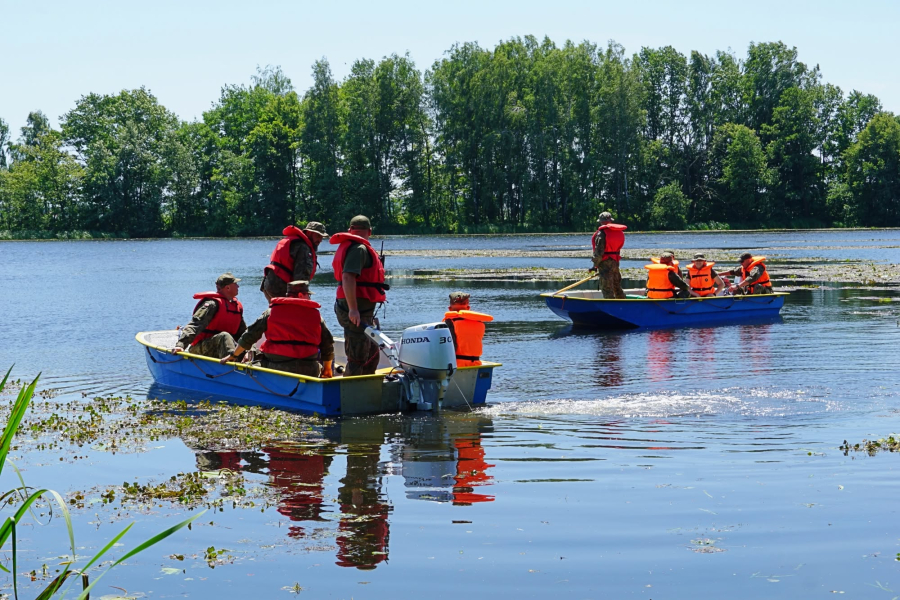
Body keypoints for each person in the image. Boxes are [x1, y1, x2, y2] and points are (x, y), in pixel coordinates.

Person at [221, 281, 335, 378]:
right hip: (309, 369)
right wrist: (327, 369)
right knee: (318, 366)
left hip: (277, 366)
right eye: (308, 295)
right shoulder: (316, 316)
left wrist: (233, 356)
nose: (309, 298)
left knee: (253, 363)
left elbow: (249, 336)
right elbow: (327, 345)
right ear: (300, 295)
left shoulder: (272, 312)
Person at [331, 215, 389, 376]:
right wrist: (353, 309)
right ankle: (351, 395)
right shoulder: (359, 249)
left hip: (362, 312)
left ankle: (368, 388)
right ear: (369, 231)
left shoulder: (354, 247)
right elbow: (348, 277)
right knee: (357, 358)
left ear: (350, 230)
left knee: (372, 352)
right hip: (354, 312)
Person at [174, 273, 246, 358]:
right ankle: (231, 364)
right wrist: (181, 344)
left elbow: (243, 332)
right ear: (228, 287)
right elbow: (195, 325)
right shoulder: (212, 304)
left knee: (248, 340)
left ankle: (251, 365)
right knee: (224, 336)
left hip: (225, 347)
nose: (238, 286)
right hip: (201, 348)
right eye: (236, 284)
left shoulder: (236, 307)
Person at [261, 222, 329, 300]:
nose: (320, 240)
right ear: (309, 233)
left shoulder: (293, 241)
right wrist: (304, 298)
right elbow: (300, 278)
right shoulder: (303, 248)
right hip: (280, 287)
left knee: (277, 311)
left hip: (268, 284)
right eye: (318, 236)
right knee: (298, 311)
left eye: (322, 237)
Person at [443, 292, 494, 367]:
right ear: (468, 308)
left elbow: (450, 348)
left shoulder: (449, 322)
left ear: (450, 309)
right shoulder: (479, 322)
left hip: (457, 365)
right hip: (476, 363)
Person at [590, 212, 627, 299]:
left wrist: (595, 266)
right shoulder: (619, 232)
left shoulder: (601, 234)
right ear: (610, 221)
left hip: (605, 264)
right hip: (615, 262)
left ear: (601, 222)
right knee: (616, 286)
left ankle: (611, 307)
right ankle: (623, 304)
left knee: (607, 288)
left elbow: (599, 252)